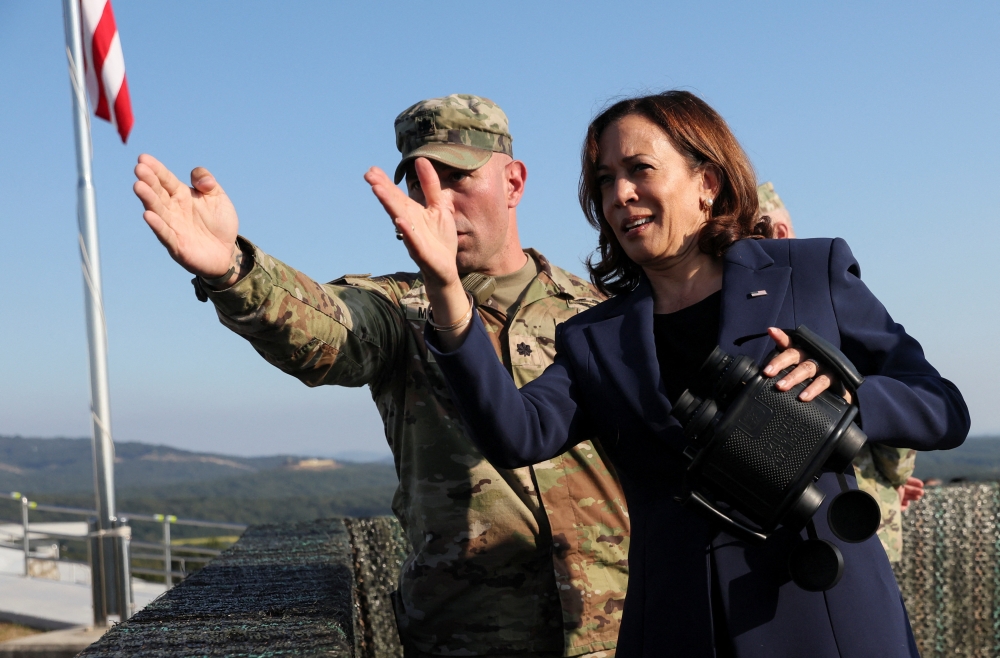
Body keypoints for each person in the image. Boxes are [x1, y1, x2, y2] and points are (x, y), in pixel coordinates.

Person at [368, 90, 971, 657]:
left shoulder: (809, 272)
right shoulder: (595, 336)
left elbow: (943, 408)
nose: (620, 194)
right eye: (605, 180)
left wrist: (850, 399)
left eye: (640, 169)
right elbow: (516, 435)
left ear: (707, 182)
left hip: (823, 612)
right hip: (675, 623)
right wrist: (446, 288)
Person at [132, 94, 629, 658]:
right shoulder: (401, 309)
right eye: (420, 182)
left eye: (457, 177)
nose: (438, 201)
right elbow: (327, 326)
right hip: (466, 640)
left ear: (513, 182)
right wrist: (235, 271)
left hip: (617, 631)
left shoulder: (597, 311)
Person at [756, 181, 925, 562]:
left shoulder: (750, 313)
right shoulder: (830, 309)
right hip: (860, 517)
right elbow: (897, 434)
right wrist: (896, 479)